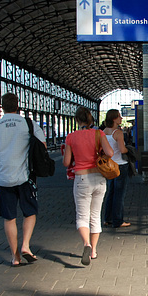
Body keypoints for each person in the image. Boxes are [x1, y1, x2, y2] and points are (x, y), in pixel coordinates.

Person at [0, 93, 45, 267]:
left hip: (3, 179)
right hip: (26, 177)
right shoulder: (29, 124)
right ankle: (25, 245)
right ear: (18, 106)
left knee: (9, 218)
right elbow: (42, 147)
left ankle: (15, 256)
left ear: (1, 107)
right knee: (30, 212)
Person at [63, 107, 113, 265]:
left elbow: (65, 162)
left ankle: (86, 243)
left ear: (77, 120)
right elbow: (110, 153)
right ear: (91, 120)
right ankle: (93, 251)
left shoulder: (71, 137)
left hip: (82, 178)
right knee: (95, 215)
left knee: (82, 216)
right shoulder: (99, 134)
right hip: (98, 177)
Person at [102, 109, 131, 228]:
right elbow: (122, 150)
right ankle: (118, 220)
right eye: (119, 116)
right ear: (114, 119)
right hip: (120, 165)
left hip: (109, 166)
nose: (121, 118)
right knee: (119, 194)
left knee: (110, 192)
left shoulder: (104, 132)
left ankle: (107, 218)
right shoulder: (118, 133)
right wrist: (129, 149)